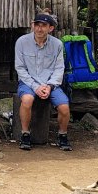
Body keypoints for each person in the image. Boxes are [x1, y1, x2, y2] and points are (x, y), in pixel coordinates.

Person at [15, 12, 71, 151]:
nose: (39, 29)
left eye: (44, 26)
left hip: (51, 84)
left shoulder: (57, 44)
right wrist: (35, 87)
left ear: (50, 28)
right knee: (27, 100)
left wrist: (50, 86)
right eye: (37, 25)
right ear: (32, 25)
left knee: (64, 107)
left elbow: (59, 68)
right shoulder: (22, 42)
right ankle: (25, 134)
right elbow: (20, 68)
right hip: (28, 82)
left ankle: (62, 135)